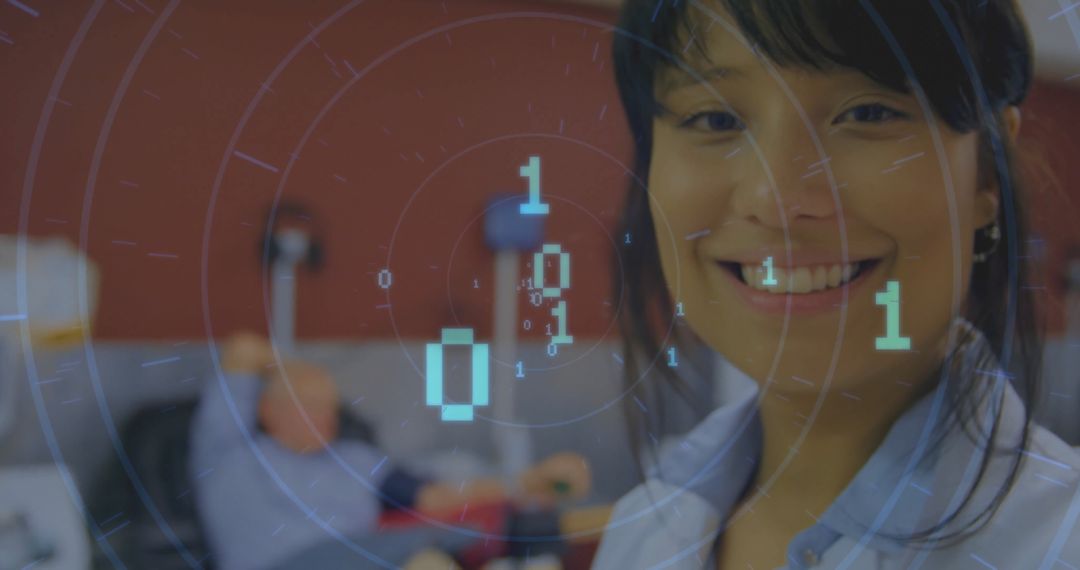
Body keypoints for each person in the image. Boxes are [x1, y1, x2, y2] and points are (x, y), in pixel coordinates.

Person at [592, 1, 1080, 568]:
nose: (777, 200)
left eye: (869, 112)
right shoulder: (639, 533)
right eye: (715, 120)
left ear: (987, 171)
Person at [191, 332, 590, 570]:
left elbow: (434, 497)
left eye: (328, 407)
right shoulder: (228, 450)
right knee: (425, 547)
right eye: (306, 405)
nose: (323, 418)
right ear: (266, 410)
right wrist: (288, 370)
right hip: (280, 563)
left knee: (434, 555)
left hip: (365, 556)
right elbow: (242, 349)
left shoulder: (355, 458)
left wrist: (528, 482)